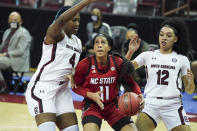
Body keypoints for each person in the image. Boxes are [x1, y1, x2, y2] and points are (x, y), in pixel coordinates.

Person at [25, 0, 96, 131]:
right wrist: (86, 2)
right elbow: (60, 21)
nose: (77, 23)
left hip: (62, 91)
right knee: (48, 128)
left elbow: (71, 67)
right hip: (43, 88)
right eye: (73, 20)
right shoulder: (54, 34)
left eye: (79, 20)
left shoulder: (78, 42)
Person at [127, 18, 196, 131]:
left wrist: (191, 82)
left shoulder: (182, 59)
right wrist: (130, 52)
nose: (164, 38)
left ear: (175, 39)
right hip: (150, 104)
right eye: (162, 34)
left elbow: (189, 91)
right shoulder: (148, 55)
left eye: (169, 35)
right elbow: (125, 69)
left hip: (173, 105)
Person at [73, 33, 144, 131]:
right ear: (93, 47)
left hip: (113, 106)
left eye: (103, 42)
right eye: (96, 42)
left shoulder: (116, 62)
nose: (99, 45)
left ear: (109, 47)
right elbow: (75, 86)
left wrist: (139, 94)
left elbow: (129, 81)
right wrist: (90, 94)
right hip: (92, 106)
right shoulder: (85, 64)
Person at [0, 11, 31, 94]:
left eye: (15, 20)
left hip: (16, 59)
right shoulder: (7, 32)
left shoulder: (24, 33)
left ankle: (3, 86)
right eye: (11, 20)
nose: (13, 22)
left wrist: (5, 54)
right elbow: (2, 47)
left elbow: (20, 51)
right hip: (5, 58)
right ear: (8, 21)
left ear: (20, 21)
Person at [122, 23, 149, 89]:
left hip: (141, 67)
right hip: (130, 65)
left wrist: (133, 65)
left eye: (131, 37)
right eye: (128, 37)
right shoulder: (125, 44)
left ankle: (135, 88)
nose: (129, 39)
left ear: (136, 36)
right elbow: (124, 59)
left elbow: (146, 61)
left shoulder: (143, 45)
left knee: (133, 70)